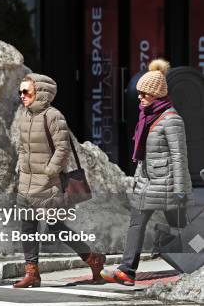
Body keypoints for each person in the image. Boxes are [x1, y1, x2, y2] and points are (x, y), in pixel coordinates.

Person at [101, 59, 191, 286]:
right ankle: (127, 270)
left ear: (156, 94)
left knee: (185, 229)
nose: (139, 98)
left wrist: (180, 189)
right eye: (139, 94)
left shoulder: (172, 120)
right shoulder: (147, 118)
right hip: (148, 184)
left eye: (144, 94)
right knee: (137, 223)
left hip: (168, 184)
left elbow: (180, 157)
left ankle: (197, 261)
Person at [14, 73, 106, 288]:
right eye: (20, 91)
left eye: (26, 91)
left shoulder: (53, 116)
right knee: (27, 227)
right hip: (26, 181)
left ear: (40, 93)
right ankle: (32, 273)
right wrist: (20, 166)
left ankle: (93, 258)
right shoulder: (25, 116)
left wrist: (50, 170)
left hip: (48, 183)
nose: (22, 95)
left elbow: (63, 148)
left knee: (55, 226)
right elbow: (22, 147)